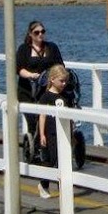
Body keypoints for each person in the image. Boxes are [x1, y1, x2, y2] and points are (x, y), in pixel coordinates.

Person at [16, 20, 63, 149]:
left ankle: (51, 145)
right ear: (30, 34)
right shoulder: (24, 49)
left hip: (46, 89)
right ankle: (35, 146)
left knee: (49, 119)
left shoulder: (51, 47)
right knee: (33, 120)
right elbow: (19, 69)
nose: (40, 35)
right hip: (27, 90)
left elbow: (60, 66)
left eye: (42, 32)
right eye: (36, 32)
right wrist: (31, 75)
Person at [34, 63, 71, 199]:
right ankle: (43, 184)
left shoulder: (65, 97)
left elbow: (69, 115)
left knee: (63, 159)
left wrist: (71, 132)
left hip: (63, 131)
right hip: (50, 131)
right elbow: (42, 116)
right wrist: (42, 133)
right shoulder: (46, 97)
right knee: (51, 158)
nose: (64, 84)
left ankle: (63, 186)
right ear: (52, 80)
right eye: (61, 81)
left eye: (65, 81)